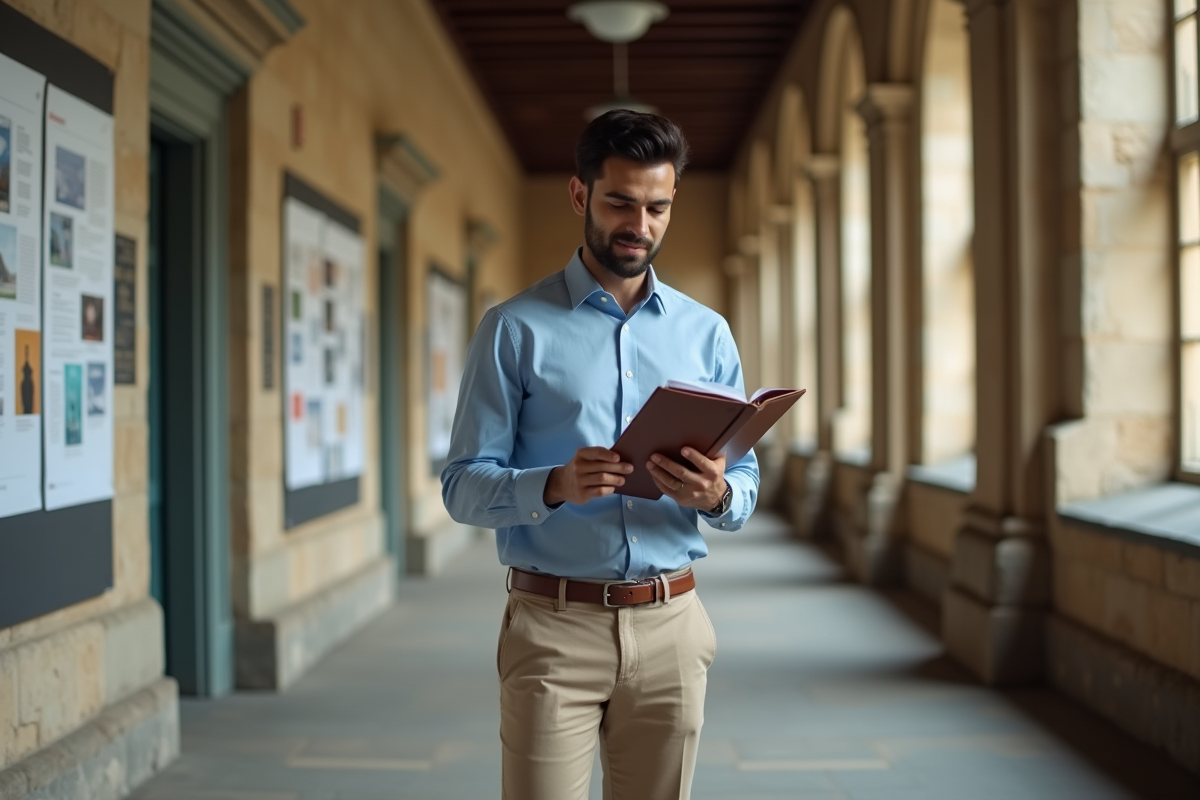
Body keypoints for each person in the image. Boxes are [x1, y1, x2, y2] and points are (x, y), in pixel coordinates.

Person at [441, 110, 759, 800]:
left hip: (673, 627)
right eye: (619, 201)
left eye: (657, 208)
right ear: (581, 194)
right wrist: (552, 484)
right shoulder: (513, 329)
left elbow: (745, 476)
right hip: (553, 631)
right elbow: (462, 486)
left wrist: (719, 496)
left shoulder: (708, 334)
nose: (638, 225)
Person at [20, 344, 34, 414]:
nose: (27, 352)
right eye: (26, 351)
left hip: (29, 384)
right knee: (25, 405)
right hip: (25, 385)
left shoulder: (29, 365)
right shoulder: (23, 383)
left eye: (28, 351)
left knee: (29, 405)